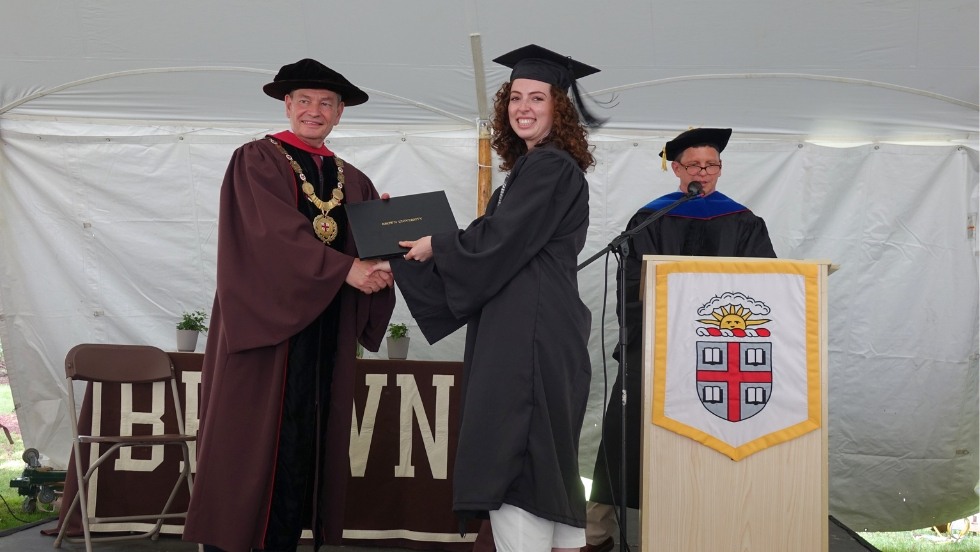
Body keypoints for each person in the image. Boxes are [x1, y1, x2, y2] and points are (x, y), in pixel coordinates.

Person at [374, 44, 603, 552]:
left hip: (530, 331)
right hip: (532, 323)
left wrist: (438, 243)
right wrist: (403, 236)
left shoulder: (551, 168)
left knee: (515, 451)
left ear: (559, 108)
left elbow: (496, 242)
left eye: (537, 98)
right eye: (515, 97)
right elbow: (491, 238)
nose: (523, 106)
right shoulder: (533, 170)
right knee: (544, 458)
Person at [182, 58, 396, 552]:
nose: (314, 111)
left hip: (322, 339)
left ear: (341, 113)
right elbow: (271, 237)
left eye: (326, 103)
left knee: (307, 448)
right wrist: (346, 269)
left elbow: (366, 252)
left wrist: (386, 243)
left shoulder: (354, 180)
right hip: (265, 336)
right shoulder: (257, 160)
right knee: (248, 448)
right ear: (287, 105)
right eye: (304, 101)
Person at [583, 127, 777, 552]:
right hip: (654, 350)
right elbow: (629, 282)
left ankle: (713, 526)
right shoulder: (650, 219)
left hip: (722, 353)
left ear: (720, 170)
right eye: (694, 165)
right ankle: (598, 531)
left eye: (711, 165)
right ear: (676, 169)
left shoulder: (743, 221)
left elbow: (769, 285)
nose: (703, 173)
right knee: (625, 434)